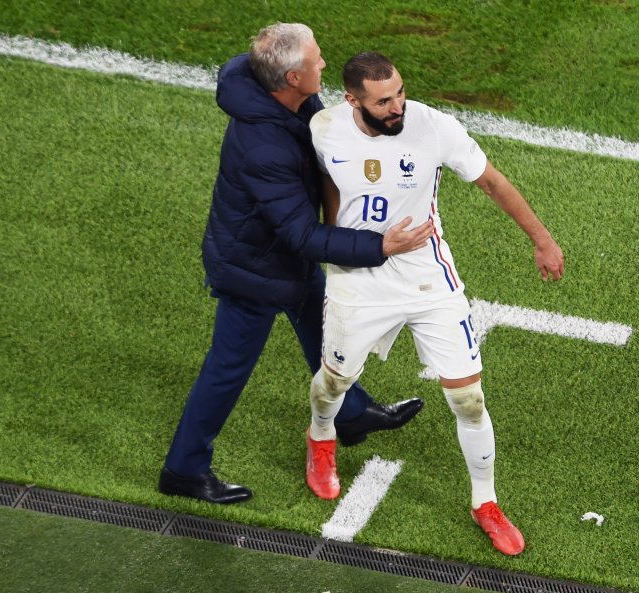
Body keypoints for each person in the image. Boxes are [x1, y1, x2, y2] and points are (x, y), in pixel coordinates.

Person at [158, 24, 433, 505]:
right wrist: (379, 246)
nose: (324, 65)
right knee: (227, 369)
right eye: (316, 60)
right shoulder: (264, 146)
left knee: (320, 325)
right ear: (289, 77)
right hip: (255, 271)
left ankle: (348, 414)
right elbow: (301, 235)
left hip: (276, 259)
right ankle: (183, 469)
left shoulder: (275, 93)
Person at [304, 51, 565, 556]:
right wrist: (337, 247)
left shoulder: (433, 127)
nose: (397, 105)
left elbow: (491, 180)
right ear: (352, 100)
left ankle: (485, 502)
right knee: (334, 380)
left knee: (469, 399)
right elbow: (326, 182)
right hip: (358, 280)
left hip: (428, 278)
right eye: (383, 101)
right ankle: (320, 437)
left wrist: (541, 238)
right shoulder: (324, 127)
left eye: (400, 92)